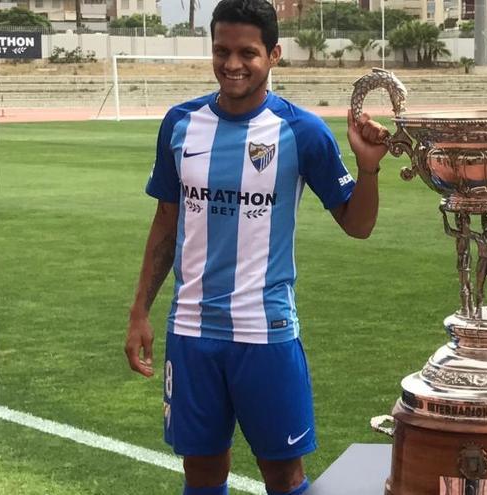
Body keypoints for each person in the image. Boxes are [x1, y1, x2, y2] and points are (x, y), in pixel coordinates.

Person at [123, 1, 388, 494]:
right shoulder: (180, 123)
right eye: (222, 50)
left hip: (266, 331)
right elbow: (165, 221)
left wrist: (368, 167)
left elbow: (358, 225)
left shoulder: (302, 130)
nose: (232, 64)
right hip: (191, 331)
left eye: (248, 52)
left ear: (274, 55)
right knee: (201, 473)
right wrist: (140, 310)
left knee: (284, 477)